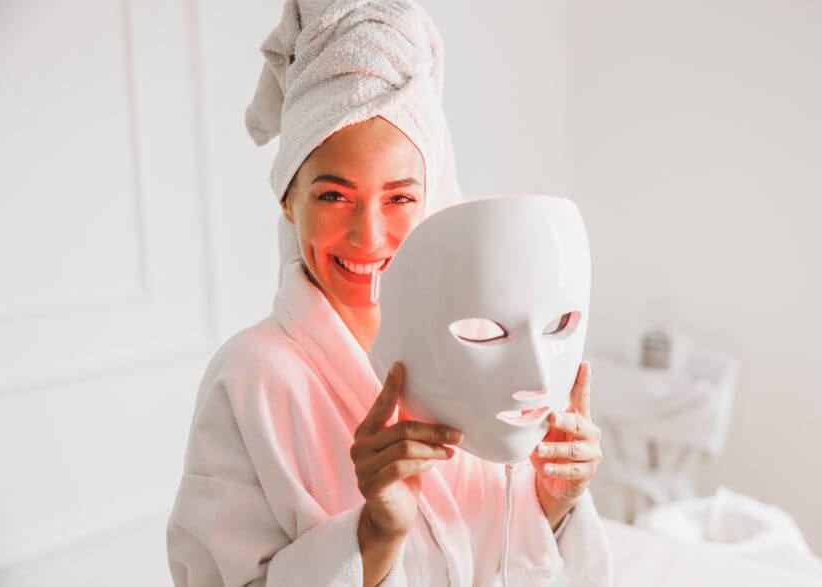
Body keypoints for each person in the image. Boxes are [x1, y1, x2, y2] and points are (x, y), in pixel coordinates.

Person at [166, 1, 613, 585]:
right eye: (333, 196)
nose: (369, 236)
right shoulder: (250, 378)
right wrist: (373, 535)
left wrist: (553, 502)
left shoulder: (484, 340)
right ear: (287, 198)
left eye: (400, 197)